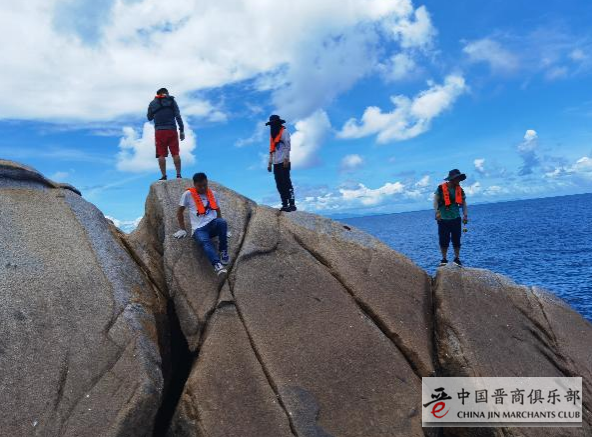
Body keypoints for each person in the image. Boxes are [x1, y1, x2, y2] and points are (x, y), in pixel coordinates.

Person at [173, 172, 230, 276]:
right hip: (199, 229)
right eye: (200, 186)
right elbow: (180, 211)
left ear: (207, 182)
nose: (203, 188)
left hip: (212, 224)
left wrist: (224, 230)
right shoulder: (188, 194)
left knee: (222, 222)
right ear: (194, 184)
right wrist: (182, 229)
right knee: (205, 241)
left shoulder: (213, 193)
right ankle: (217, 264)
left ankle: (223, 251)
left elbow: (217, 210)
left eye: (205, 185)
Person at [147, 88, 185, 181]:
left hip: (159, 132)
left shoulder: (152, 103)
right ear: (166, 93)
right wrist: (182, 130)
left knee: (161, 154)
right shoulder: (171, 100)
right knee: (175, 153)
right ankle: (178, 175)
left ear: (158, 94)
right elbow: (178, 116)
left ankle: (164, 176)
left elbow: (149, 117)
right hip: (172, 130)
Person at [433, 169, 469, 267]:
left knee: (456, 239)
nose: (459, 180)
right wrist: (437, 212)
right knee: (443, 240)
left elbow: (464, 204)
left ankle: (457, 258)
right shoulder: (441, 188)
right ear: (452, 179)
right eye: (457, 178)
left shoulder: (460, 190)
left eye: (459, 178)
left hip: (456, 218)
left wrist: (465, 215)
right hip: (443, 219)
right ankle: (444, 259)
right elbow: (435, 201)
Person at [266, 114, 297, 212]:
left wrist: (286, 159)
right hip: (276, 163)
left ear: (278, 123)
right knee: (279, 184)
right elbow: (272, 150)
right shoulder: (273, 136)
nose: (272, 126)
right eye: (271, 124)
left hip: (284, 162)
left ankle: (292, 204)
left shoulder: (284, 132)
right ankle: (284, 204)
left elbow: (287, 146)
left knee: (286, 183)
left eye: (273, 124)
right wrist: (270, 163)